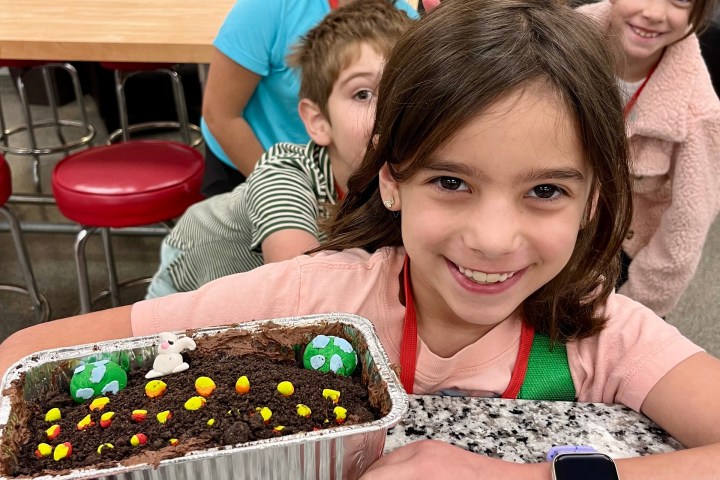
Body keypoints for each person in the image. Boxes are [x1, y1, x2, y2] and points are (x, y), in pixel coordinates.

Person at [1, 1, 720, 477]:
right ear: (391, 180)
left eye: (545, 191)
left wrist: (524, 474)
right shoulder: (319, 292)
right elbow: (24, 355)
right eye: (452, 182)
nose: (495, 239)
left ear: (595, 202)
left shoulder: (599, 333)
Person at [144, 0, 412, 298]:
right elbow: (298, 288)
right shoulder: (284, 173)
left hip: (260, 301)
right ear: (319, 121)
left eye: (400, 90)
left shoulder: (402, 174)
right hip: (192, 280)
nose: (386, 110)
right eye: (362, 94)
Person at [578, 0, 720, 317]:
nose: (654, 13)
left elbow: (685, 230)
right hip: (551, 216)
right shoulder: (564, 39)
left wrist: (634, 308)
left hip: (618, 248)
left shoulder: (699, 113)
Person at [200, 0, 418, 196]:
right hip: (249, 160)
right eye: (362, 94)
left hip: (346, 167)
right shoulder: (270, 7)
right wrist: (281, 191)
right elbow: (220, 115)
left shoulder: (408, 21)